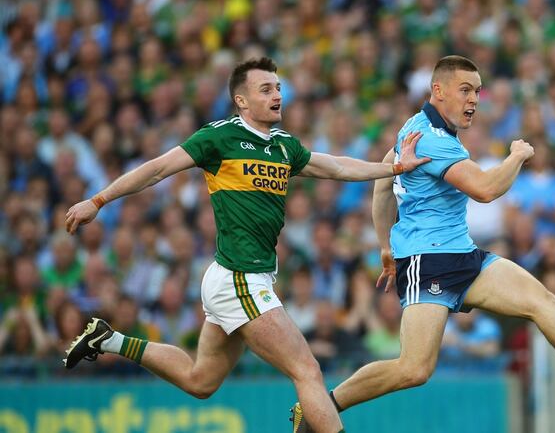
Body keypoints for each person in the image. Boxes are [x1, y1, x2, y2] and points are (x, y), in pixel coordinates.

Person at [290, 55, 555, 431]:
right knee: (414, 369)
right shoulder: (433, 141)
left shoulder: (416, 129)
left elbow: (382, 186)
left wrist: (385, 246)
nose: (474, 99)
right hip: (428, 262)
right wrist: (517, 155)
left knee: (541, 301)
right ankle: (318, 407)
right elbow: (486, 190)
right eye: (465, 90)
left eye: (477, 91)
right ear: (438, 90)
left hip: (462, 256)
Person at [61, 57, 430, 433]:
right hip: (240, 276)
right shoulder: (219, 138)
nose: (276, 96)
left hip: (240, 278)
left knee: (200, 380)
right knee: (307, 371)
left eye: (278, 88)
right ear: (241, 100)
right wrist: (98, 200)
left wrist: (394, 168)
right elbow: (156, 169)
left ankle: (109, 339)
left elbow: (335, 167)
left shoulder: (284, 146)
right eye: (265, 89)